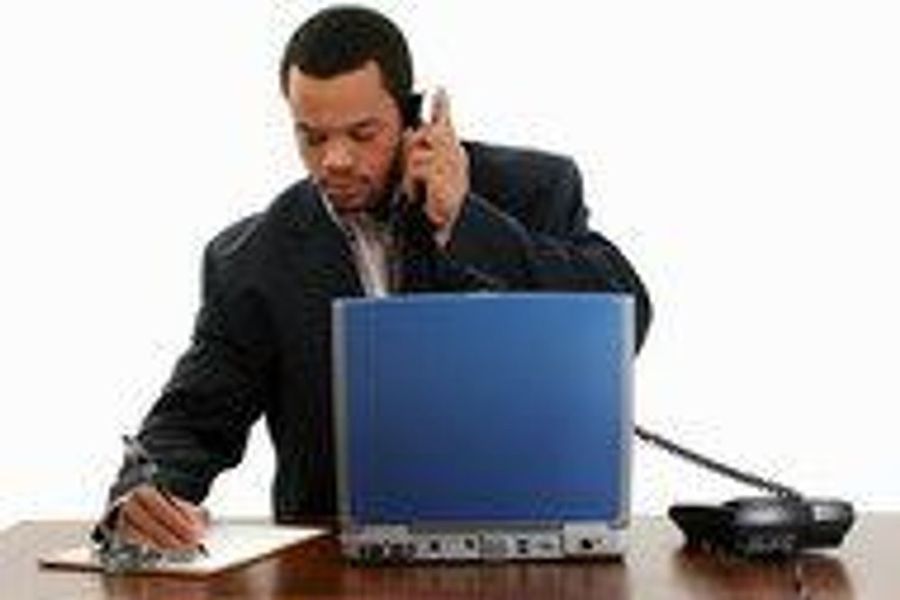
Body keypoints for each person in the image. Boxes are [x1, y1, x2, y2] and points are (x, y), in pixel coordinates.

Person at [100, 5, 653, 552]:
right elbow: (193, 420)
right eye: (312, 137)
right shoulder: (251, 259)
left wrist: (464, 221)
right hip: (336, 562)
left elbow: (622, 320)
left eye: (363, 133)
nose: (335, 160)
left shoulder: (531, 189)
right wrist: (141, 494)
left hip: (528, 543)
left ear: (412, 117)